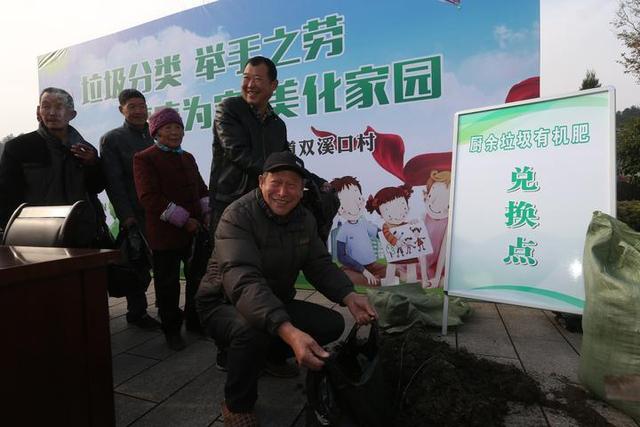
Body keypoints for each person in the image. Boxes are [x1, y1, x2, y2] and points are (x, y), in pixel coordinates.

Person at [196, 151, 377, 427]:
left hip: (273, 300)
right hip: (223, 304)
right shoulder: (237, 216)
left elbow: (318, 263)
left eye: (292, 185)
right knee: (251, 329)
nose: (283, 192)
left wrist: (348, 295)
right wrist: (289, 332)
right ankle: (236, 404)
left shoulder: (303, 218)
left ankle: (270, 357)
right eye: (276, 182)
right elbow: (243, 281)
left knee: (331, 324)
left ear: (301, 190)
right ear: (261, 182)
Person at [133, 108, 209, 351]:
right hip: (165, 234)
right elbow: (149, 198)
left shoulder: (187, 157)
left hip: (194, 232)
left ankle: (196, 321)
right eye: (168, 128)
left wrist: (207, 213)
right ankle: (172, 330)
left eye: (178, 127)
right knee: (167, 285)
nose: (174, 132)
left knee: (197, 279)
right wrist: (184, 219)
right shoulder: (144, 158)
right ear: (156, 132)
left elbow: (201, 189)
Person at [0, 87, 105, 244]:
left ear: (72, 114)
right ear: (38, 110)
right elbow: (7, 194)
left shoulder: (85, 149)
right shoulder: (19, 147)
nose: (52, 113)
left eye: (59, 107)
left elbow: (95, 188)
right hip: (37, 234)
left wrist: (92, 164)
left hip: (82, 232)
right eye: (46, 106)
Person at [208, 56, 288, 238]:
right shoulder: (229, 109)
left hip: (265, 205)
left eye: (258, 79)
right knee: (229, 261)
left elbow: (285, 159)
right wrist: (278, 178)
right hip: (230, 204)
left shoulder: (277, 124)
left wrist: (310, 180)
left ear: (273, 85)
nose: (250, 84)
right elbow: (237, 152)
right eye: (246, 78)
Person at [100, 89, 159, 329]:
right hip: (135, 213)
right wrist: (126, 216)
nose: (138, 111)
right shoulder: (112, 139)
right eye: (132, 106)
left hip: (160, 211)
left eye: (141, 106)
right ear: (121, 110)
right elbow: (113, 182)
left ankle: (166, 307)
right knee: (137, 265)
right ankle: (137, 312)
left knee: (163, 263)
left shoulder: (155, 134)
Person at [331, 175, 385, 287]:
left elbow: (380, 234)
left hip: (372, 265)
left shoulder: (363, 223)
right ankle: (377, 281)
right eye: (346, 202)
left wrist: (400, 232)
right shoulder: (343, 230)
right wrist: (363, 270)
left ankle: (380, 279)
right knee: (349, 276)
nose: (354, 205)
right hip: (354, 268)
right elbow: (341, 256)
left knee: (394, 271)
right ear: (339, 208)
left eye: (357, 198)